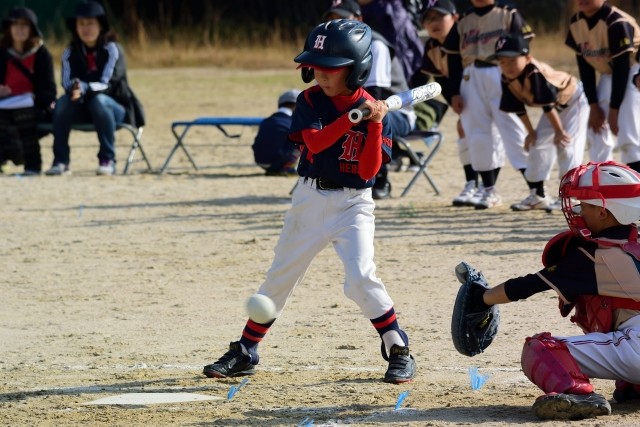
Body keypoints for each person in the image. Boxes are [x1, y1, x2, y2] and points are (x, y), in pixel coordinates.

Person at [202, 19, 416, 384]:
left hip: (353, 205)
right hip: (310, 197)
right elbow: (315, 144)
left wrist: (375, 124)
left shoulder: (373, 110)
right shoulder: (310, 100)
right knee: (281, 274)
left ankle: (397, 348)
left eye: (331, 67)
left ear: (356, 69)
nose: (321, 74)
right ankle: (245, 350)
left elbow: (368, 172)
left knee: (361, 277)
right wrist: (351, 120)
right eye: (316, 66)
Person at [470, 161, 640, 420]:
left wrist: (483, 297)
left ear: (605, 212)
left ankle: (579, 395)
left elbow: (527, 285)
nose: (579, 210)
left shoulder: (594, 254)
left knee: (542, 348)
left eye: (586, 205)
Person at [324, 0, 418, 199]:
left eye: (342, 18)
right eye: (332, 20)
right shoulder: (333, 50)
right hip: (359, 106)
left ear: (359, 19)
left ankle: (379, 179)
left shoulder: (374, 45)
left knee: (367, 118)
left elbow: (373, 97)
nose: (336, 24)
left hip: (394, 112)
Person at [490, 33, 589, 212]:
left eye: (512, 60)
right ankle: (538, 195)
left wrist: (559, 132)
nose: (507, 66)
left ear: (527, 57)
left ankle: (570, 198)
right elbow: (519, 108)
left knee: (567, 145)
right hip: (555, 107)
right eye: (502, 61)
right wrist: (531, 132)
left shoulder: (534, 72)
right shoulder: (506, 77)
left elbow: (547, 107)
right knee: (537, 145)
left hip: (575, 100)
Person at [450, 0, 534, 209]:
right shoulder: (463, 20)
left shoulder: (508, 14)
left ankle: (536, 189)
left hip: (502, 72)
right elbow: (452, 57)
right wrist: (453, 92)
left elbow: (523, 46)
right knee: (477, 134)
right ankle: (489, 190)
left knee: (513, 129)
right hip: (471, 75)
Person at [45, 0, 144, 176]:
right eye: (81, 24)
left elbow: (108, 83)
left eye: (90, 23)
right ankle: (61, 161)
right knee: (62, 103)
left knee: (99, 101)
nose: (86, 28)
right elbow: (66, 82)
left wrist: (84, 86)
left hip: (114, 108)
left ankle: (107, 159)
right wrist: (75, 88)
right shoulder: (69, 52)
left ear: (100, 26)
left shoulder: (112, 49)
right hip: (82, 107)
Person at [412, 0, 481, 207]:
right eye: (428, 19)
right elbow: (433, 78)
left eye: (439, 16)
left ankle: (484, 187)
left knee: (476, 133)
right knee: (465, 131)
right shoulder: (432, 46)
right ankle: (473, 185)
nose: (433, 23)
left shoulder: (465, 41)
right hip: (464, 97)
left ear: (455, 17)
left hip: (487, 92)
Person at [565, 0, 640, 170]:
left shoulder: (616, 22)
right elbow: (585, 68)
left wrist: (614, 110)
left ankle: (637, 189)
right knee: (596, 129)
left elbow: (622, 67)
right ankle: (605, 182)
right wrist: (593, 105)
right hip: (610, 74)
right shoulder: (577, 22)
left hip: (633, 71)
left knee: (627, 132)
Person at [0, 7, 56, 175]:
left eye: (25, 25)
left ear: (32, 29)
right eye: (15, 25)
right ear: (9, 28)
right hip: (5, 104)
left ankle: (32, 164)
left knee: (22, 113)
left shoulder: (41, 54)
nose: (20, 29)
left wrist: (33, 96)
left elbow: (50, 91)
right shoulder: (2, 53)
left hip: (34, 107)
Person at [252, 89, 302, 176]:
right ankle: (287, 169)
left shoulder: (267, 120)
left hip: (259, 161)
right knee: (303, 139)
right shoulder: (291, 123)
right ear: (296, 106)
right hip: (276, 163)